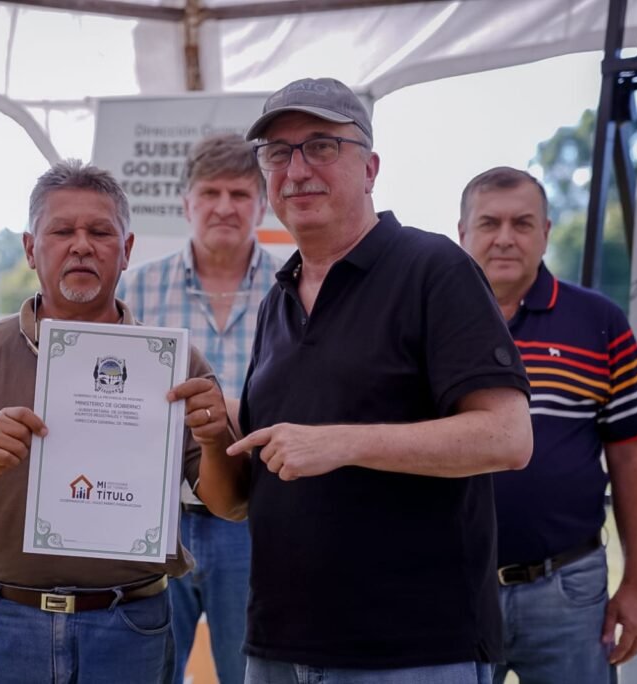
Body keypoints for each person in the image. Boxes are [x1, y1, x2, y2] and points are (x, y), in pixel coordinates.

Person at [195, 77, 534, 684]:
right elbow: (242, 501)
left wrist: (343, 442)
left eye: (321, 146)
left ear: (371, 168)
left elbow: (508, 438)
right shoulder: (278, 300)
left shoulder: (434, 269)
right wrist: (216, 431)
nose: (297, 169)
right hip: (276, 648)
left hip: (410, 653)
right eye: (278, 153)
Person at [0, 160, 231, 684]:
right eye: (62, 231)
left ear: (127, 249)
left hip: (128, 629)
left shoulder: (172, 364)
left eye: (100, 232)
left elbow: (229, 503)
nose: (81, 246)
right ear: (31, 249)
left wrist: (215, 439)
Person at [457, 166, 637, 684]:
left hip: (568, 590)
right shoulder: (428, 319)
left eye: (522, 223)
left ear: (546, 231)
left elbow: (632, 456)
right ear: (462, 232)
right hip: (450, 587)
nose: (505, 238)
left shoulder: (597, 320)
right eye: (489, 223)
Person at [119, 133, 281, 683]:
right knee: (148, 671)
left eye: (240, 193)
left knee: (253, 672)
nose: (224, 207)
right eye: (210, 193)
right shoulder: (137, 289)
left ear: (262, 204)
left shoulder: (296, 289)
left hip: (257, 520)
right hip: (156, 518)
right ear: (186, 203)